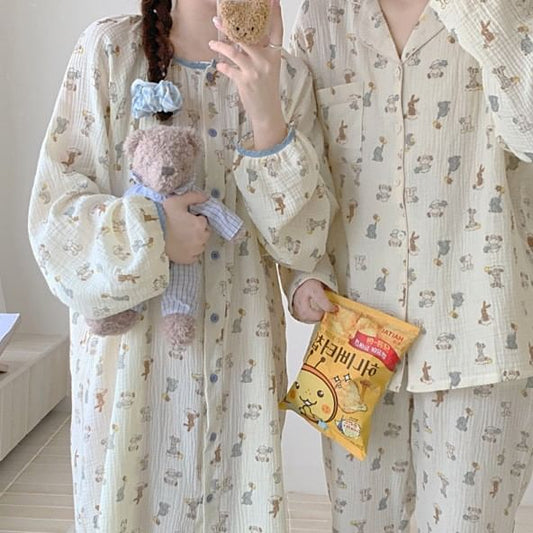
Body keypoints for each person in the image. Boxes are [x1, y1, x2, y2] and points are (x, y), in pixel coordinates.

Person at [28, 0, 336, 530]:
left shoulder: (288, 77)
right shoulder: (110, 52)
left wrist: (266, 112)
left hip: (242, 375)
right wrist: (153, 232)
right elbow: (55, 225)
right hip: (131, 386)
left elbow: (303, 243)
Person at [287, 0, 533, 530]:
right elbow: (307, 158)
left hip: (480, 337)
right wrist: (306, 271)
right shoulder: (324, 16)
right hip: (353, 335)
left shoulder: (503, 9)